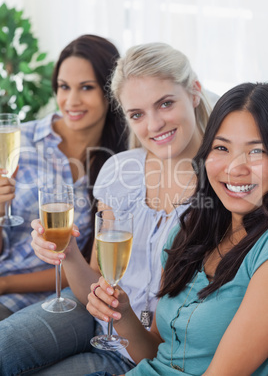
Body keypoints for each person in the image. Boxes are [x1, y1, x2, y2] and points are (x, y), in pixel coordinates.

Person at [0, 42, 212, 376]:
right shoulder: (120, 171)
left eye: (166, 103)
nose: (154, 125)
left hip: (139, 351)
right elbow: (96, 283)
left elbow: (168, 342)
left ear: (194, 92)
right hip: (92, 317)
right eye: (137, 114)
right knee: (5, 346)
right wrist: (67, 250)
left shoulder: (222, 189)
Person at [87, 82, 268, 376]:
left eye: (256, 151)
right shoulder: (190, 230)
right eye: (222, 147)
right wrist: (122, 313)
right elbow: (158, 351)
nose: (235, 168)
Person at [0, 34, 127, 320]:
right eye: (63, 87)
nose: (71, 101)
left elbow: (85, 267)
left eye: (86, 87)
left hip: (48, 301)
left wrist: (5, 284)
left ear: (111, 91)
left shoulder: (118, 165)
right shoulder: (20, 142)